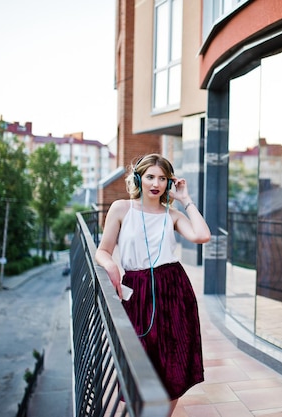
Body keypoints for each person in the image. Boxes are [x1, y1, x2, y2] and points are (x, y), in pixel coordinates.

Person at [95, 154, 211, 415]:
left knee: (173, 364)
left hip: (174, 289)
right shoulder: (121, 208)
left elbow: (202, 235)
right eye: (150, 176)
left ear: (169, 182)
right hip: (137, 290)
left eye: (162, 178)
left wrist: (185, 199)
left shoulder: (172, 215)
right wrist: (112, 266)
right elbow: (102, 250)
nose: (156, 183)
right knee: (140, 361)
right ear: (139, 178)